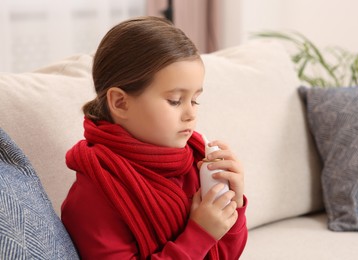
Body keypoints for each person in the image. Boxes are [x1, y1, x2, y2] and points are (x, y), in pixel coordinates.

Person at [61, 16, 247, 259]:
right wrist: (200, 234)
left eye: (195, 100)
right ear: (120, 102)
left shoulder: (197, 163)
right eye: (175, 101)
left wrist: (234, 204)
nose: (191, 114)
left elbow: (228, 254)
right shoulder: (94, 195)